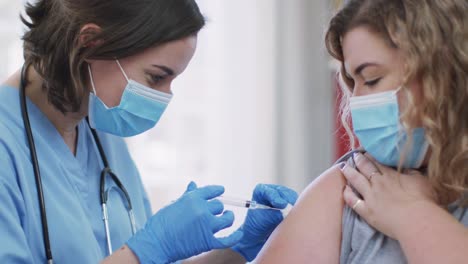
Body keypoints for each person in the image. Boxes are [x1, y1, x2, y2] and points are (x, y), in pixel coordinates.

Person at [0, 0, 298, 263]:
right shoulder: (7, 144)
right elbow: (142, 255)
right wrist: (150, 248)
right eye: (156, 77)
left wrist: (236, 250)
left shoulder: (100, 128)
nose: (166, 96)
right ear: (90, 42)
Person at [255, 0, 468, 263]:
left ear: (443, 74)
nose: (356, 101)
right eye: (352, 81)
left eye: (371, 79)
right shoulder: (356, 182)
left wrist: (413, 215)